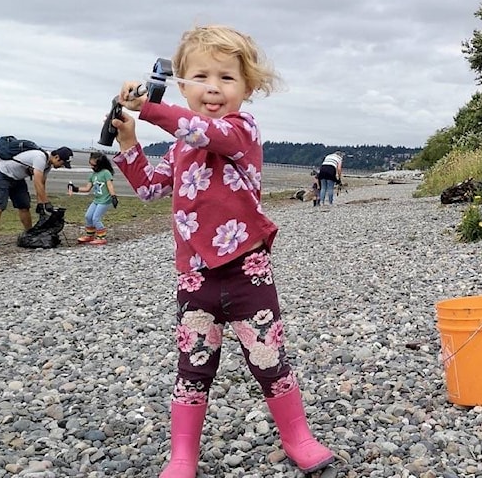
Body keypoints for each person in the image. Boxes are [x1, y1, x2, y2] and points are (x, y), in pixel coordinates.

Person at [109, 25, 334, 477]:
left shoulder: (240, 129)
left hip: (247, 272)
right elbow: (152, 191)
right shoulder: (179, 149)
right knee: (192, 368)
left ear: (246, 87)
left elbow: (207, 134)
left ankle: (298, 437)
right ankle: (182, 457)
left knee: (268, 359)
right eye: (200, 77)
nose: (213, 88)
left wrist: (151, 108)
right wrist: (131, 143)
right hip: (194, 278)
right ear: (182, 83)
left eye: (227, 78)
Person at [0, 146, 74, 248]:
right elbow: (37, 182)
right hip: (2, 174)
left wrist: (41, 204)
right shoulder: (40, 158)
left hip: (18, 179)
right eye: (62, 164)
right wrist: (46, 203)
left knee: (24, 205)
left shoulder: (48, 165)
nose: (61, 166)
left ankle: (29, 234)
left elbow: (42, 184)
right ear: (57, 157)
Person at [69, 152, 118, 245]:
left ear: (100, 164)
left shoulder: (106, 173)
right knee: (88, 216)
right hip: (97, 200)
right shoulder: (92, 175)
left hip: (105, 200)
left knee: (96, 218)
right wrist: (75, 188)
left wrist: (114, 197)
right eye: (90, 165)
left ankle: (101, 237)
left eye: (93, 165)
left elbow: (110, 186)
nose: (92, 167)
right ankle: (90, 235)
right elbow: (87, 188)